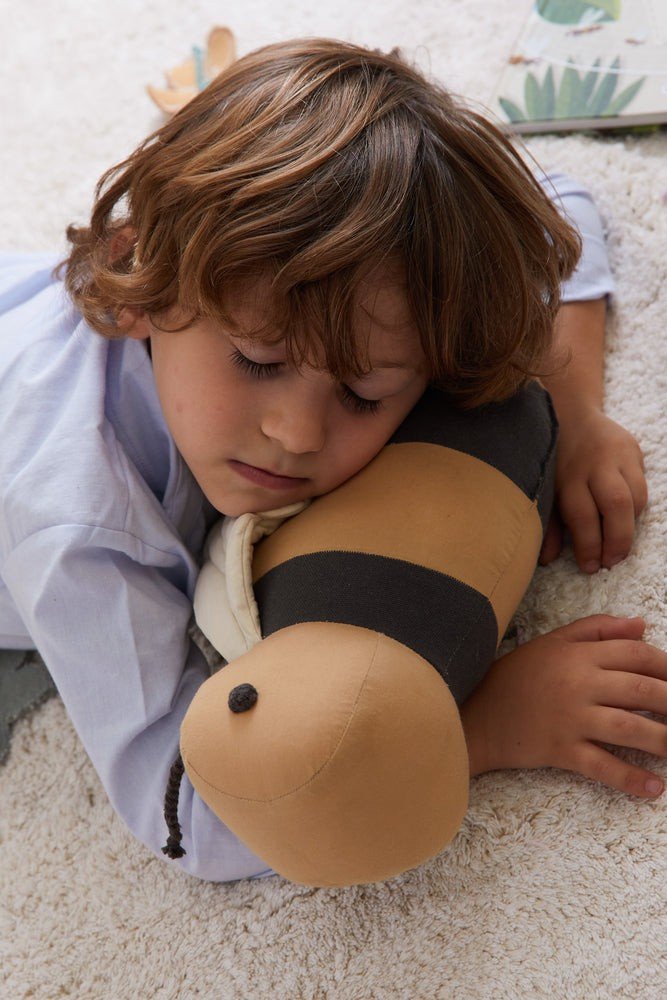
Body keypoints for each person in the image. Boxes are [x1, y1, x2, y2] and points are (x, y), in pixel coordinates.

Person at [0, 39, 661, 885]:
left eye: (363, 393)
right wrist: (481, 724)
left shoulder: (276, 298)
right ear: (140, 279)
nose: (298, 433)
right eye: (259, 362)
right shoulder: (80, 524)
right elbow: (187, 819)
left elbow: (551, 203)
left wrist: (575, 411)